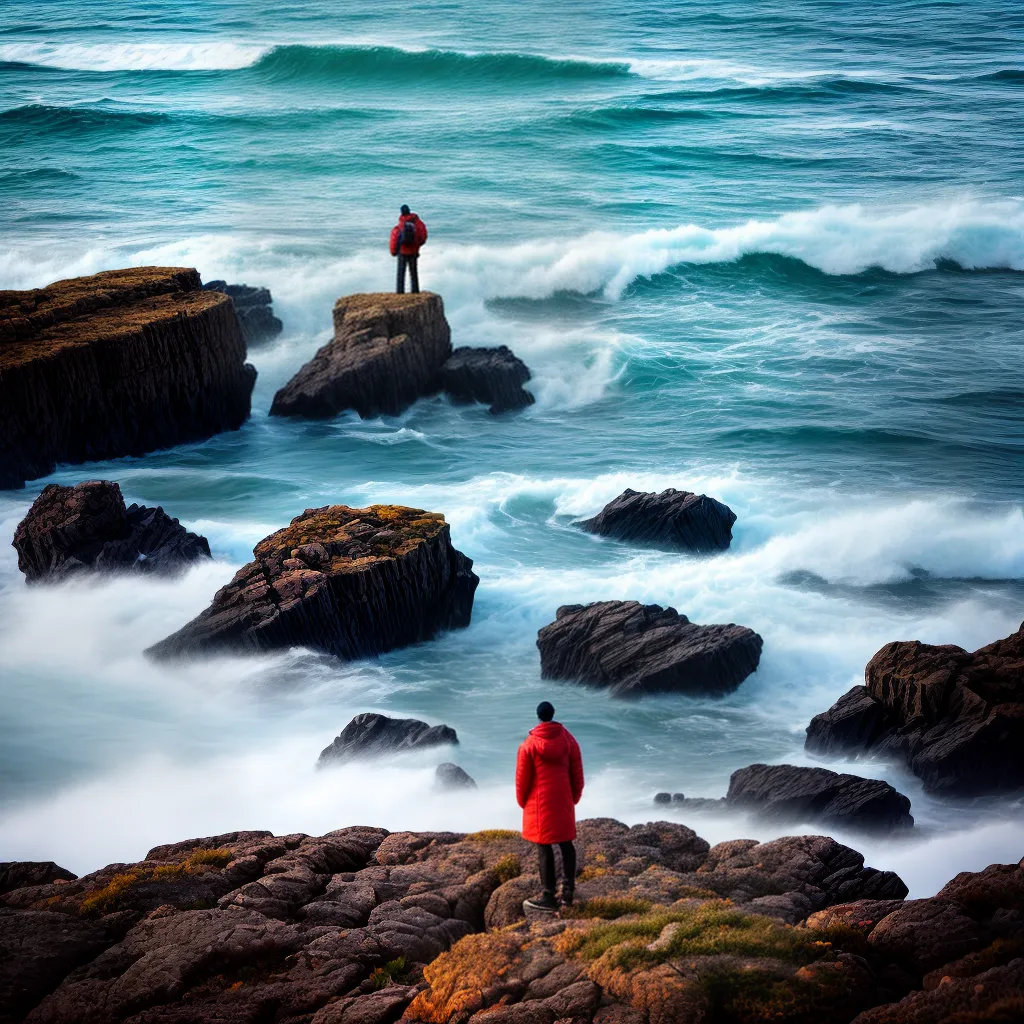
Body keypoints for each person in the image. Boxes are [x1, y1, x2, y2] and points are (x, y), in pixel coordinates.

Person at [515, 700, 584, 911]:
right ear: (553, 715)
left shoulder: (529, 744)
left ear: (538, 717)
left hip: (540, 803)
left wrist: (522, 801)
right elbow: (577, 774)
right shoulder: (569, 740)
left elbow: (522, 779)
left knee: (544, 846)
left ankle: (548, 895)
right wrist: (574, 797)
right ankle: (568, 891)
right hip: (562, 799)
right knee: (565, 843)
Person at [389, 204, 428, 294]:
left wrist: (393, 252)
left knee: (401, 274)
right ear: (409, 211)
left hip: (402, 252)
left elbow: (394, 239)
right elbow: (423, 237)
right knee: (413, 273)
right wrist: (417, 245)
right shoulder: (418, 223)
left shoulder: (400, 226)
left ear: (401, 213)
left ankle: (400, 292)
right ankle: (415, 291)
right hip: (414, 251)